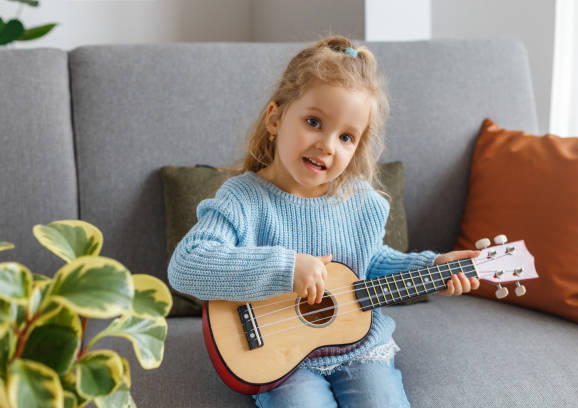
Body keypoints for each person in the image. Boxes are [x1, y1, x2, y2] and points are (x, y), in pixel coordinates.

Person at [167, 35, 480, 408]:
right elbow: (187, 266)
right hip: (281, 358)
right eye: (314, 122)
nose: (328, 145)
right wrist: (286, 267)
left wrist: (432, 267)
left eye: (346, 136)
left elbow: (368, 264)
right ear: (275, 118)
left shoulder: (361, 202)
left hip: (360, 349)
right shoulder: (243, 199)